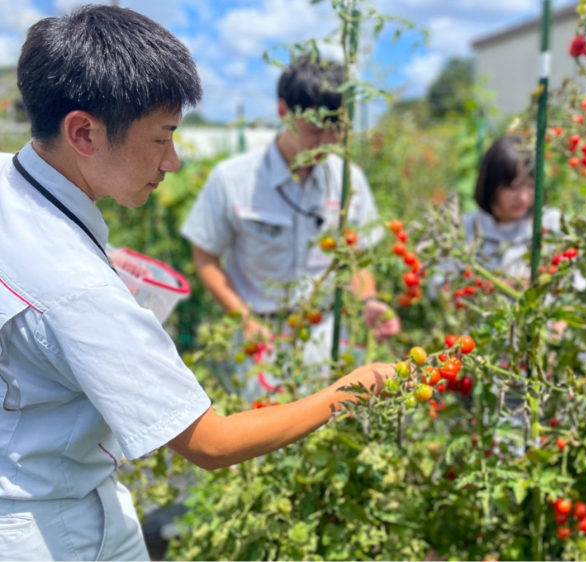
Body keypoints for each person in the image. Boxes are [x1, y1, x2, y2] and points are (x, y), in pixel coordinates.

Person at [0, 7, 392, 561]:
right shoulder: (80, 289)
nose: (175, 161)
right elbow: (211, 442)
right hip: (54, 526)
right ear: (83, 131)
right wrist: (354, 387)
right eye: (163, 138)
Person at [180, 55, 400, 395]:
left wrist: (368, 300)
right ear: (283, 111)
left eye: (335, 129)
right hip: (261, 340)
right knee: (265, 438)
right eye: (314, 130)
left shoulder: (348, 180)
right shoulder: (233, 179)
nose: (326, 142)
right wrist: (244, 318)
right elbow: (205, 257)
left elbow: (353, 261)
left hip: (329, 334)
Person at [464, 135, 562, 278]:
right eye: (513, 187)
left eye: (530, 186)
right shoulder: (466, 228)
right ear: (491, 185)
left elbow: (576, 282)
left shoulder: (550, 223)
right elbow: (438, 286)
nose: (523, 197)